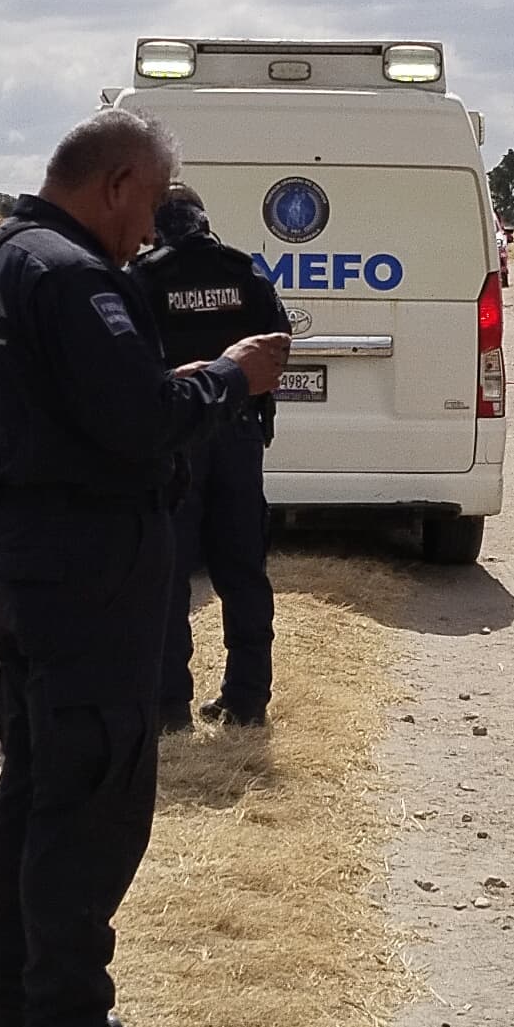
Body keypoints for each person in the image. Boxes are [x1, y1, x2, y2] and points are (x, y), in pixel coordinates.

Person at [0, 109, 289, 1027]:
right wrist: (234, 377)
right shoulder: (73, 276)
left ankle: (9, 1019)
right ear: (114, 183)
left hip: (31, 552)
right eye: (145, 207)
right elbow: (138, 428)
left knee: (34, 785)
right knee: (91, 803)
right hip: (89, 567)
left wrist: (174, 383)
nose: (147, 233)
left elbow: (82, 408)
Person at [130, 184, 293, 728]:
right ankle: (247, 700)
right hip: (239, 435)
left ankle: (168, 705)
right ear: (204, 220)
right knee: (243, 570)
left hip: (175, 437)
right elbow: (278, 345)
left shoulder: (145, 278)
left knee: (168, 574)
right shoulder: (245, 274)